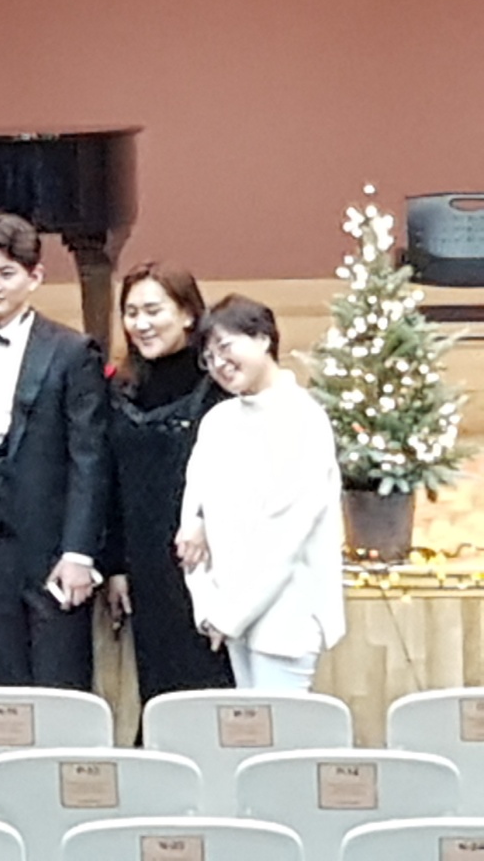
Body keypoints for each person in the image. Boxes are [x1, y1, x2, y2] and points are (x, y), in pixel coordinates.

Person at [0, 214, 110, 690]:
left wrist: (79, 552)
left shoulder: (72, 351)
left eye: (6, 273)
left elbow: (89, 459)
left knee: (61, 682)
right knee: (2, 681)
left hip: (54, 546)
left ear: (34, 277)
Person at [176, 294, 345, 690]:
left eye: (225, 347)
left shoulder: (303, 418)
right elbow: (193, 515)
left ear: (263, 339)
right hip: (228, 611)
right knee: (248, 726)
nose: (218, 363)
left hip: (287, 615)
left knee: (282, 727)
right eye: (208, 357)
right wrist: (210, 606)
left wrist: (230, 615)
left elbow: (286, 534)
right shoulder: (218, 420)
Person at [101, 263, 234, 711]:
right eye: (131, 312)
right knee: (159, 688)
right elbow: (112, 481)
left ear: (188, 314)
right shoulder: (121, 388)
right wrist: (116, 565)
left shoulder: (218, 388)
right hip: (146, 564)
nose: (141, 323)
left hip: (207, 560)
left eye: (153, 310)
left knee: (210, 687)